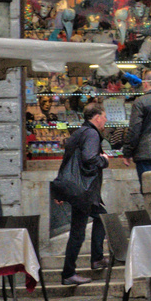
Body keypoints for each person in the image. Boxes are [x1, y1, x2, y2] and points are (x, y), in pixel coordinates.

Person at [59, 102, 110, 286]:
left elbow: (67, 162)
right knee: (101, 219)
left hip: (77, 190)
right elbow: (89, 157)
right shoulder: (91, 133)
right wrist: (103, 160)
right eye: (104, 116)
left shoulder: (79, 133)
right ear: (97, 117)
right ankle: (91, 261)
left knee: (78, 231)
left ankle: (70, 272)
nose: (106, 120)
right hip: (84, 191)